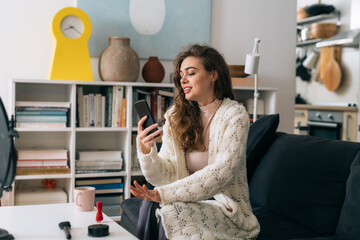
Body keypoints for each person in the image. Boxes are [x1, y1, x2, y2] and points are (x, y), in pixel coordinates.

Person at [130, 44, 260, 240]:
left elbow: (220, 174)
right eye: (181, 74)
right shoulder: (175, 116)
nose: (182, 80)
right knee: (150, 204)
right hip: (184, 198)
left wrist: (163, 195)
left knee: (170, 210)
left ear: (213, 75)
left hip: (224, 207)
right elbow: (163, 176)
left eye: (190, 73)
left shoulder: (235, 115)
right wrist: (147, 151)